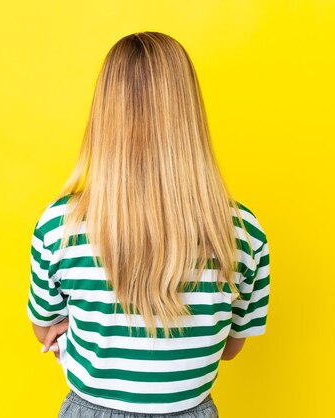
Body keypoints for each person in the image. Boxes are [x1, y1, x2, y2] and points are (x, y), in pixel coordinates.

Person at [26, 31, 270, 418]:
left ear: (103, 116)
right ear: (189, 116)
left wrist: (81, 325)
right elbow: (230, 347)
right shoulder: (242, 232)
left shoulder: (61, 225)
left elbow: (46, 329)